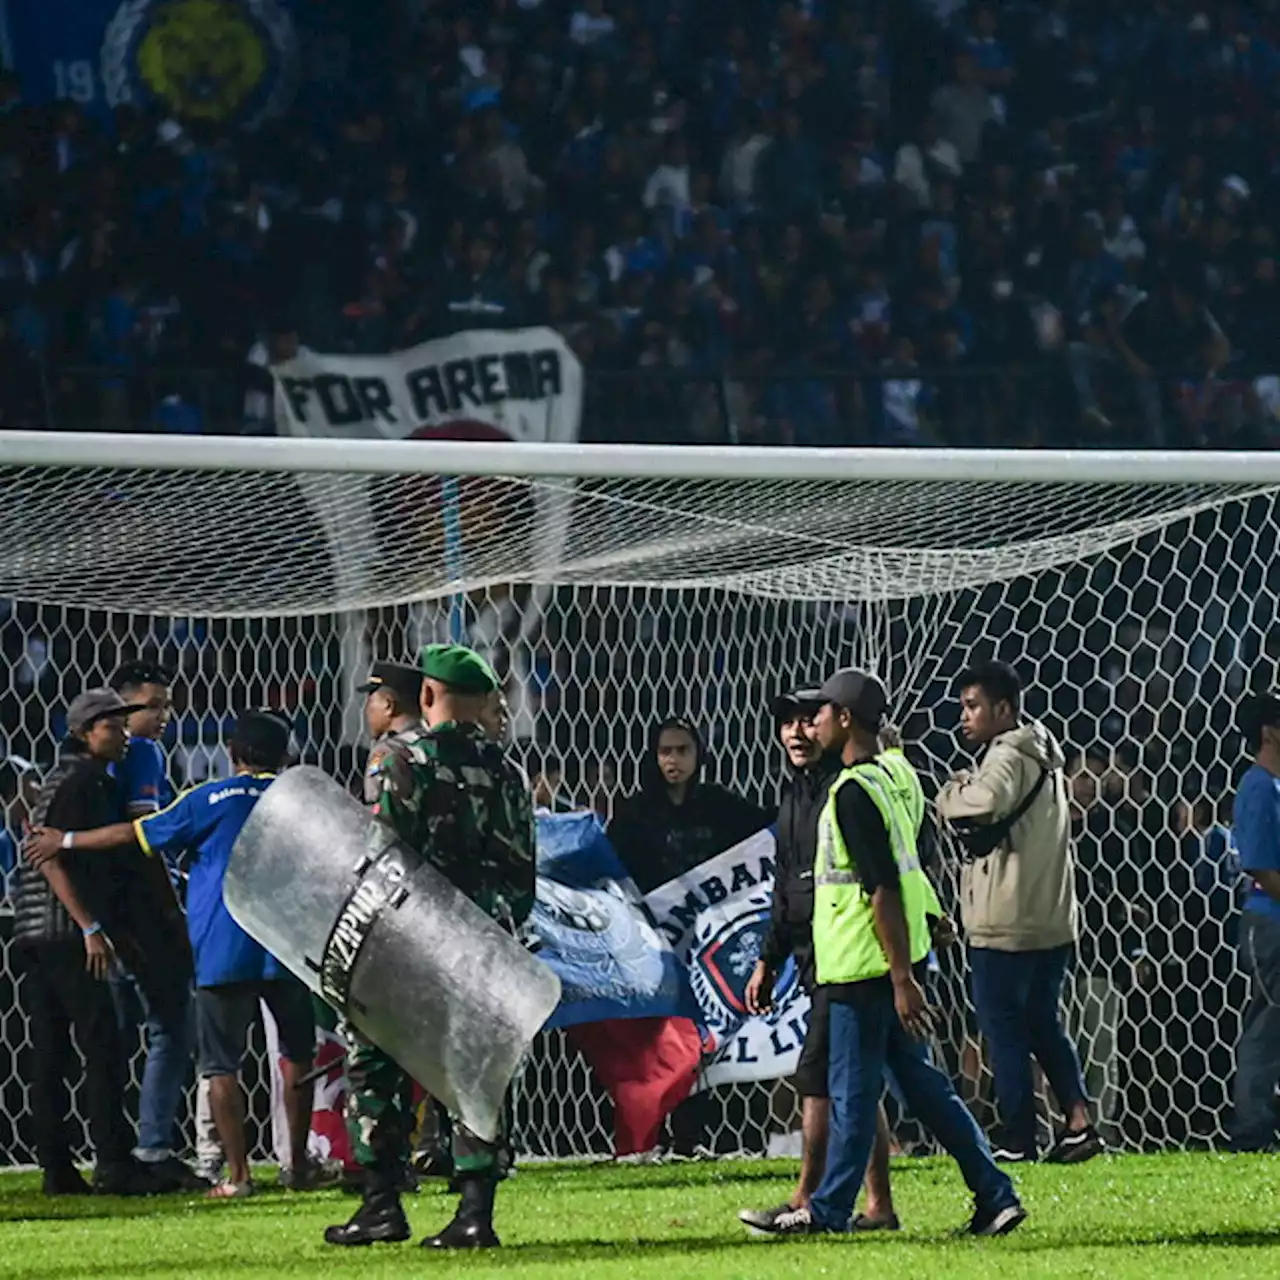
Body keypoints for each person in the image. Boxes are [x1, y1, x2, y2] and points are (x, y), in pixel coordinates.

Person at [756, 669, 1025, 1239]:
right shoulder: (893, 775)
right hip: (891, 961)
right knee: (927, 1089)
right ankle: (996, 1194)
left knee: (853, 1095)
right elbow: (907, 867)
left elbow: (880, 886)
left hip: (864, 963)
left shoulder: (852, 792)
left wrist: (902, 977)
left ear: (845, 718)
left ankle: (827, 1211)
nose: (814, 722)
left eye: (823, 712)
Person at [26, 711, 330, 1199]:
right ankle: (297, 1167)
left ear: (233, 753)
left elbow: (138, 833)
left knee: (220, 1064)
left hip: (223, 945)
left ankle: (239, 1177)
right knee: (295, 1054)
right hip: (286, 942)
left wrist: (64, 839)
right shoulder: (304, 799)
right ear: (286, 755)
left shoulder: (209, 797)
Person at [325, 643, 536, 1250]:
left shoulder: (397, 757)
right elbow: (523, 872)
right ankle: (475, 1213)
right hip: (481, 940)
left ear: (425, 695)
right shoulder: (507, 770)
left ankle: (382, 1204)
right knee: (473, 1070)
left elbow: (383, 854)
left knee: (377, 1064)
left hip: (407, 938)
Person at [741, 690, 897, 1233]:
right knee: (862, 1082)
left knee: (819, 1078)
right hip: (817, 957)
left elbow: (881, 876)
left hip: (848, 954)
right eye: (787, 723)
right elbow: (787, 883)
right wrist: (768, 959)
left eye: (809, 721)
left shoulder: (846, 790)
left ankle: (809, 1197)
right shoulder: (793, 796)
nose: (797, 733)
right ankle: (879, 1205)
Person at [936, 660, 1101, 1164]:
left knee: (1002, 1028)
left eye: (972, 706)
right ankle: (1078, 1122)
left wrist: (951, 792)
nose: (963, 717)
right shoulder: (1042, 751)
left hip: (1007, 921)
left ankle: (1016, 1138)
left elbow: (983, 803)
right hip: (1050, 918)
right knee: (1042, 1022)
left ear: (1003, 709)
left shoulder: (1007, 754)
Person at [12, 690, 163, 1196]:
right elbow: (49, 855)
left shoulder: (62, 778)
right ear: (83, 732)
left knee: (51, 1052)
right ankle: (114, 1162)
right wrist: (92, 929)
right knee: (103, 1044)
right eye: (111, 727)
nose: (122, 735)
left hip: (36, 932)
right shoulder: (84, 782)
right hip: (65, 934)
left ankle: (57, 1167)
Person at [608, 714, 771, 1157]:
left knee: (719, 1034)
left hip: (714, 948)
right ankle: (665, 1134)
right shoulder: (635, 812)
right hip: (656, 947)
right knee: (664, 1039)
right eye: (665, 751)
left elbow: (767, 839)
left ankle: (720, 1136)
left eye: (682, 750)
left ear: (699, 754)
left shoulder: (723, 807)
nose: (673, 760)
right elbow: (612, 870)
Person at [104, 661, 201, 1188]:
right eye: (154, 705)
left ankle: (112, 1150)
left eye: (167, 704)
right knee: (171, 1027)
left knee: (116, 1036)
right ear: (123, 709)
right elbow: (147, 840)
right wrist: (173, 906)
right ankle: (153, 1146)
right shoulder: (141, 753)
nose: (166, 715)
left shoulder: (93, 763)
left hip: (106, 915)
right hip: (144, 916)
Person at [1228, 693, 1280, 1151]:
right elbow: (1260, 866)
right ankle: (1252, 1126)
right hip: (1269, 922)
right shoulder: (1258, 786)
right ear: (1268, 731)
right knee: (1267, 1023)